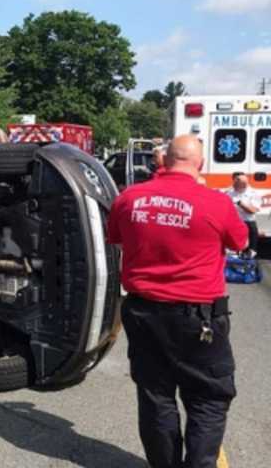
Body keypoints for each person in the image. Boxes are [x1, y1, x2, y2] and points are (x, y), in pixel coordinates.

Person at [106, 134, 248, 468]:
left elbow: (116, 237)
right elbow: (239, 241)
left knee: (156, 396)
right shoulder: (215, 202)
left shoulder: (129, 198)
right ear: (200, 164)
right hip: (198, 318)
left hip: (143, 311)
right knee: (207, 399)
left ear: (163, 161)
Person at [225, 172, 260, 258]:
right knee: (232, 250)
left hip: (248, 223)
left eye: (237, 184)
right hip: (233, 223)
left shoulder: (253, 193)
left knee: (249, 252)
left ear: (244, 185)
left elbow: (252, 210)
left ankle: (248, 261)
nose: (234, 185)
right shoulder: (229, 192)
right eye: (234, 182)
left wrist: (239, 203)